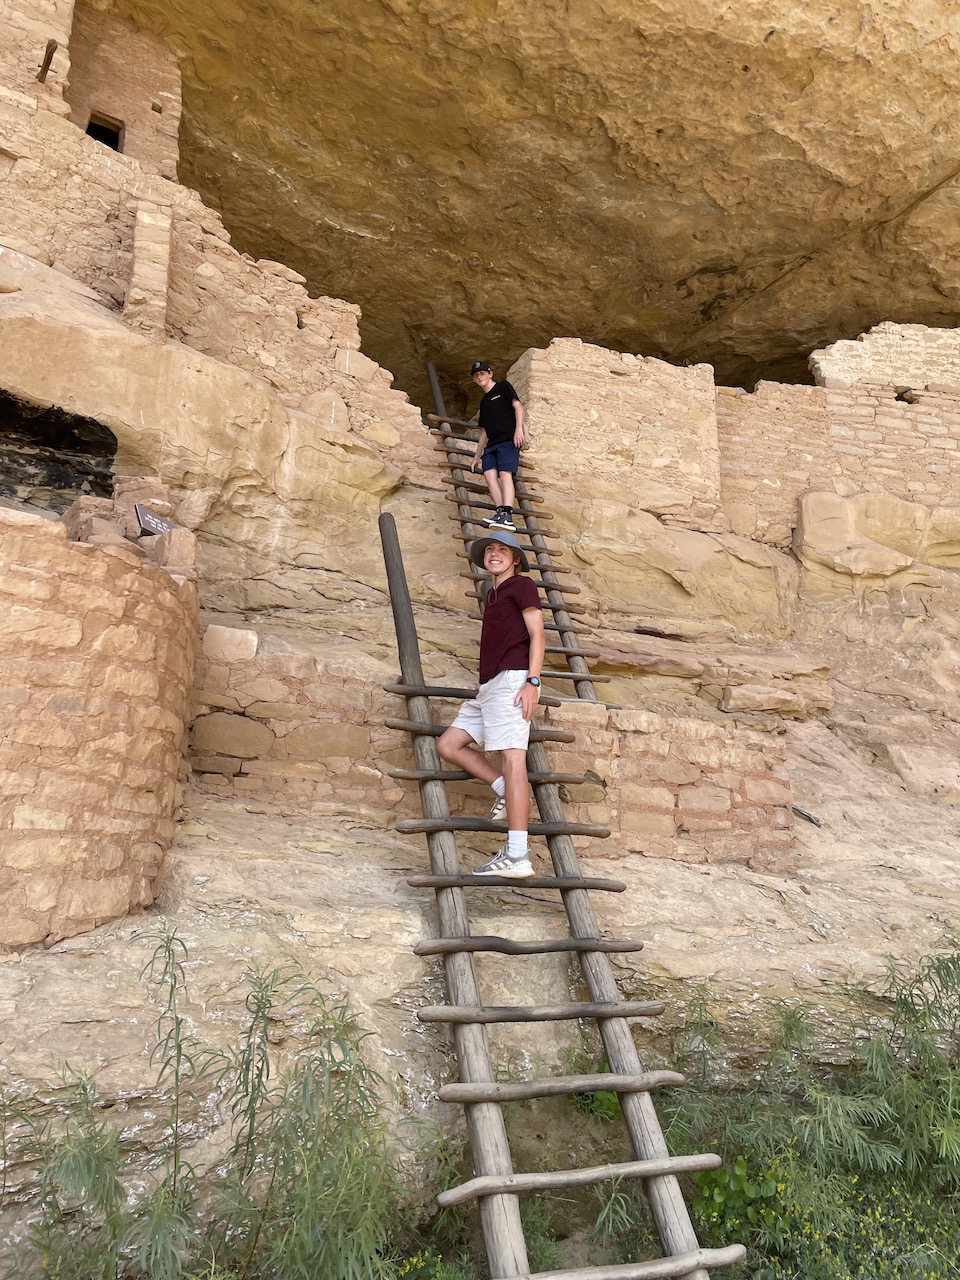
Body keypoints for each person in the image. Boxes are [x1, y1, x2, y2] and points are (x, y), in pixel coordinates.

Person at [437, 530, 545, 878]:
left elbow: (538, 635)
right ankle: (500, 788)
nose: (494, 554)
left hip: (513, 682)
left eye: (503, 550)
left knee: (513, 761)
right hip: (489, 687)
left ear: (515, 559)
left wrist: (532, 681)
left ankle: (517, 855)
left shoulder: (522, 585)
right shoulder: (492, 591)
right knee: (449, 744)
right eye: (490, 550)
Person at [468, 360, 524, 533]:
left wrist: (519, 429)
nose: (480, 377)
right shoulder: (484, 402)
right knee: (489, 474)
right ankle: (501, 513)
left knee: (504, 474)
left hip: (508, 439)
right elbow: (485, 431)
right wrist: (477, 456)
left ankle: (507, 515)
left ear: (490, 374)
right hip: (492, 444)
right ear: (474, 380)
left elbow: (518, 407)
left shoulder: (503, 387)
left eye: (482, 373)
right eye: (476, 375)